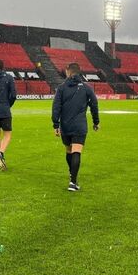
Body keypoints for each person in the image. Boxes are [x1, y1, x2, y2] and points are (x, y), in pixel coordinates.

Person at [52, 62, 100, 191]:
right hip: (79, 126)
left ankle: (71, 174)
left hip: (66, 126)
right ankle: (73, 181)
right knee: (76, 151)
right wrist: (96, 122)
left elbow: (56, 107)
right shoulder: (86, 87)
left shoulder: (61, 88)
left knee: (69, 151)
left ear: (68, 71)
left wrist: (55, 124)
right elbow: (94, 105)